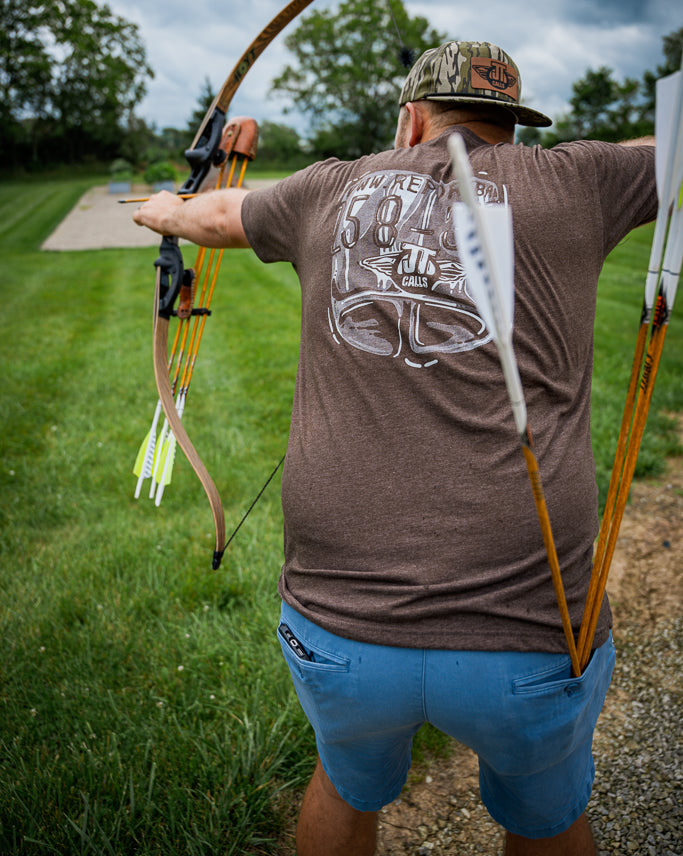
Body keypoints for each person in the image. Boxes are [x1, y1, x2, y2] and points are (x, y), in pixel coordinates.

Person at [133, 41, 657, 855]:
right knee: (547, 816)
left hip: (341, 632)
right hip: (525, 633)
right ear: (512, 128)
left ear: (410, 117)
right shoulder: (582, 179)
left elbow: (212, 218)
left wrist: (164, 208)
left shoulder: (328, 186)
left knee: (344, 784)